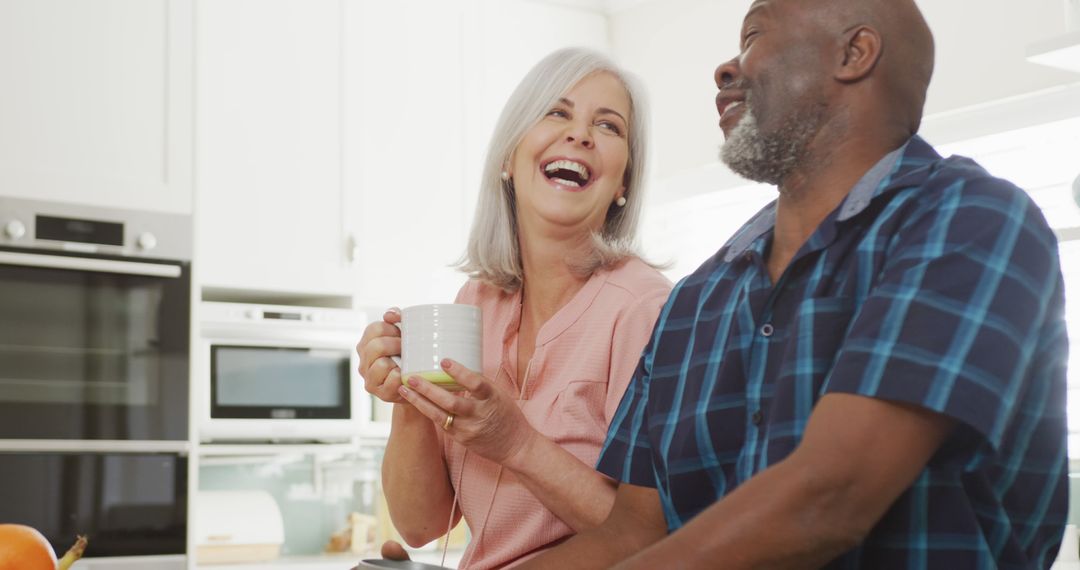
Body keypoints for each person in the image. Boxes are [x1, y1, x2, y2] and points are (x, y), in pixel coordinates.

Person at [518, 0, 1069, 568]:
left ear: (854, 54)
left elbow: (832, 496)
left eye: (753, 36)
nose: (724, 70)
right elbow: (629, 535)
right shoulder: (695, 300)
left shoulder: (970, 219)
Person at [356, 47, 672, 569]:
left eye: (609, 126)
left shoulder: (643, 309)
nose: (580, 134)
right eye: (558, 112)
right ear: (509, 156)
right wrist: (408, 401)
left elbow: (654, 538)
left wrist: (516, 442)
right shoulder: (475, 304)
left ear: (623, 184)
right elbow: (419, 525)